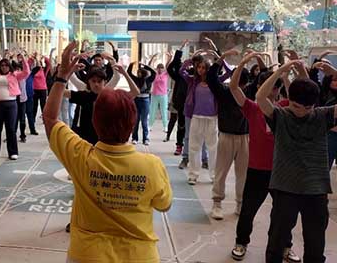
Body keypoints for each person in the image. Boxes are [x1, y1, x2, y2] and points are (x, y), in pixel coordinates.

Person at [43, 41, 172, 263]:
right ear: (132, 124)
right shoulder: (152, 165)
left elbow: (50, 118)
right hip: (139, 256)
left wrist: (61, 75)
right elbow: (164, 204)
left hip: (86, 255)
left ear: (95, 120)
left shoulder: (80, 156)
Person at [257, 60, 334, 263]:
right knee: (276, 242)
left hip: (316, 189)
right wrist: (280, 72)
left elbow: (310, 95)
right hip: (285, 188)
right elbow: (260, 97)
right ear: (288, 100)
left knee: (315, 246)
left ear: (313, 105)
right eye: (295, 106)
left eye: (305, 108)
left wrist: (335, 73)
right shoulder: (280, 116)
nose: (299, 111)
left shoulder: (322, 116)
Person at [229, 53, 300, 262]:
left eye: (275, 87)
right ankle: (241, 242)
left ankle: (286, 247)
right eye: (268, 86)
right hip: (257, 169)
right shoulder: (252, 108)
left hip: (281, 170)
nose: (272, 90)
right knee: (248, 210)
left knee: (284, 214)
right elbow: (234, 88)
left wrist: (285, 73)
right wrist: (242, 64)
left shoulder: (287, 106)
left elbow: (294, 93)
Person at [206, 49, 249, 220]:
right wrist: (221, 57)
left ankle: (240, 203)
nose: (241, 87)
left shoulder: (250, 92)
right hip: (226, 136)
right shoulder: (223, 92)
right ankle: (217, 203)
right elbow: (211, 78)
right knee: (221, 171)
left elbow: (264, 75)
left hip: (245, 137)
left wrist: (250, 60)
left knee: (243, 173)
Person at [180, 54, 217, 184]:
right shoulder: (193, 81)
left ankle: (214, 175)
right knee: (194, 146)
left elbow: (229, 72)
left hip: (212, 118)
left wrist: (220, 57)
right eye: (199, 67)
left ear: (208, 69)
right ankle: (193, 175)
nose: (201, 69)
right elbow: (181, 71)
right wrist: (192, 60)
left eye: (203, 67)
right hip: (196, 116)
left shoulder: (214, 81)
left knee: (213, 147)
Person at [0, 55, 30, 159]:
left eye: (6, 65)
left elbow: (26, 73)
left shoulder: (14, 74)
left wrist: (24, 60)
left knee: (11, 129)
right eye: (2, 65)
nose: (4, 67)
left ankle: (13, 152)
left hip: (11, 104)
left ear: (9, 66)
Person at [127, 59, 156, 145]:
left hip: (145, 100)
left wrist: (145, 66)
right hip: (136, 100)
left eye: (140, 72)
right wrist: (131, 65)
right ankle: (134, 138)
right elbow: (129, 73)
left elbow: (154, 73)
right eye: (138, 72)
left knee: (144, 120)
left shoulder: (148, 80)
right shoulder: (136, 79)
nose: (138, 74)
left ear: (143, 73)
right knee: (136, 120)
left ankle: (145, 139)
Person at [149, 61, 170, 135]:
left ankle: (165, 126)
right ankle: (150, 126)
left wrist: (170, 58)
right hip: (154, 95)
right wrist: (152, 59)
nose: (160, 69)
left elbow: (168, 66)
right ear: (157, 69)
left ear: (163, 69)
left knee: (164, 111)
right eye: (159, 68)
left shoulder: (166, 74)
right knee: (152, 111)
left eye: (161, 68)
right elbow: (149, 67)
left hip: (163, 95)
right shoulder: (155, 74)